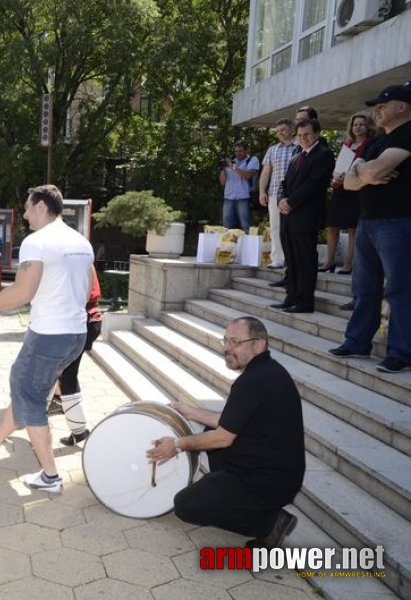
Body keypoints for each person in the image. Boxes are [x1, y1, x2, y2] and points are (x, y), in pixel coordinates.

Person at [0, 184, 93, 493]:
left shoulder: (37, 242)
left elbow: (21, 293)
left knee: (29, 394)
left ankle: (50, 476)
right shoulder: (81, 242)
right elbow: (83, 291)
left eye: (29, 207)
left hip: (49, 335)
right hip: (76, 333)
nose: (26, 214)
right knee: (28, 385)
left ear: (43, 207)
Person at [147, 317, 305, 549]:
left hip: (270, 480)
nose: (227, 348)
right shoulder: (266, 371)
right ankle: (230, 494)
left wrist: (177, 444)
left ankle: (271, 523)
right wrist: (189, 412)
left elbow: (224, 437)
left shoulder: (253, 381)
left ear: (259, 344)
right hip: (273, 470)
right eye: (226, 341)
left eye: (236, 342)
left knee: (185, 506)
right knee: (211, 432)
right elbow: (231, 422)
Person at [329, 83, 411, 374]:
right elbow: (348, 183)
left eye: (382, 104)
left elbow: (370, 172)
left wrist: (364, 172)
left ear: (401, 106)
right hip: (368, 222)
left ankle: (401, 352)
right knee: (364, 288)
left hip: (399, 222)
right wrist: (365, 174)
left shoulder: (408, 133)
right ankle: (357, 341)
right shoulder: (377, 142)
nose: (378, 109)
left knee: (401, 289)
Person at [272, 118, 334, 314]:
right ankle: (291, 296)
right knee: (291, 259)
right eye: (300, 136)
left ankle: (306, 301)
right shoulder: (296, 155)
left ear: (316, 133)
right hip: (288, 217)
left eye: (307, 134)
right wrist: (282, 199)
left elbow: (314, 185)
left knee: (305, 259)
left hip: (306, 217)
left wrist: (291, 201)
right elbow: (284, 183)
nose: (303, 139)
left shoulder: (323, 155)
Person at [320, 112, 376, 274]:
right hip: (340, 189)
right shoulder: (347, 145)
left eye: (361, 124)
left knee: (353, 228)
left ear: (368, 126)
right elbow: (340, 169)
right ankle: (328, 262)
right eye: (355, 124)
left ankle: (349, 264)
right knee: (332, 225)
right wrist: (337, 178)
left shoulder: (370, 144)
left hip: (358, 190)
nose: (358, 127)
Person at [53, 265, 102, 447]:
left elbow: (75, 297)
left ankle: (79, 431)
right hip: (86, 322)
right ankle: (78, 429)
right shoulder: (81, 259)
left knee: (66, 375)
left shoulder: (77, 263)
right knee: (65, 374)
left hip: (82, 323)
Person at [258, 118, 296, 270]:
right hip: (274, 193)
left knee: (294, 228)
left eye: (283, 130)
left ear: (292, 130)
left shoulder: (300, 147)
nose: (280, 133)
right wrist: (262, 191)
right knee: (276, 227)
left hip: (294, 194)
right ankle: (278, 259)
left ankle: (293, 259)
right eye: (278, 131)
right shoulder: (272, 149)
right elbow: (266, 172)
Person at [219, 140, 259, 232]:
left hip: (244, 197)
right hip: (229, 197)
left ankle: (249, 245)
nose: (238, 153)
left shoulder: (252, 160)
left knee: (246, 225)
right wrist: (223, 168)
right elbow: (222, 182)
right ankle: (228, 246)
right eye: (236, 151)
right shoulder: (231, 162)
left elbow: (248, 175)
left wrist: (232, 166)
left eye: (240, 151)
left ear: (247, 150)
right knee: (226, 226)